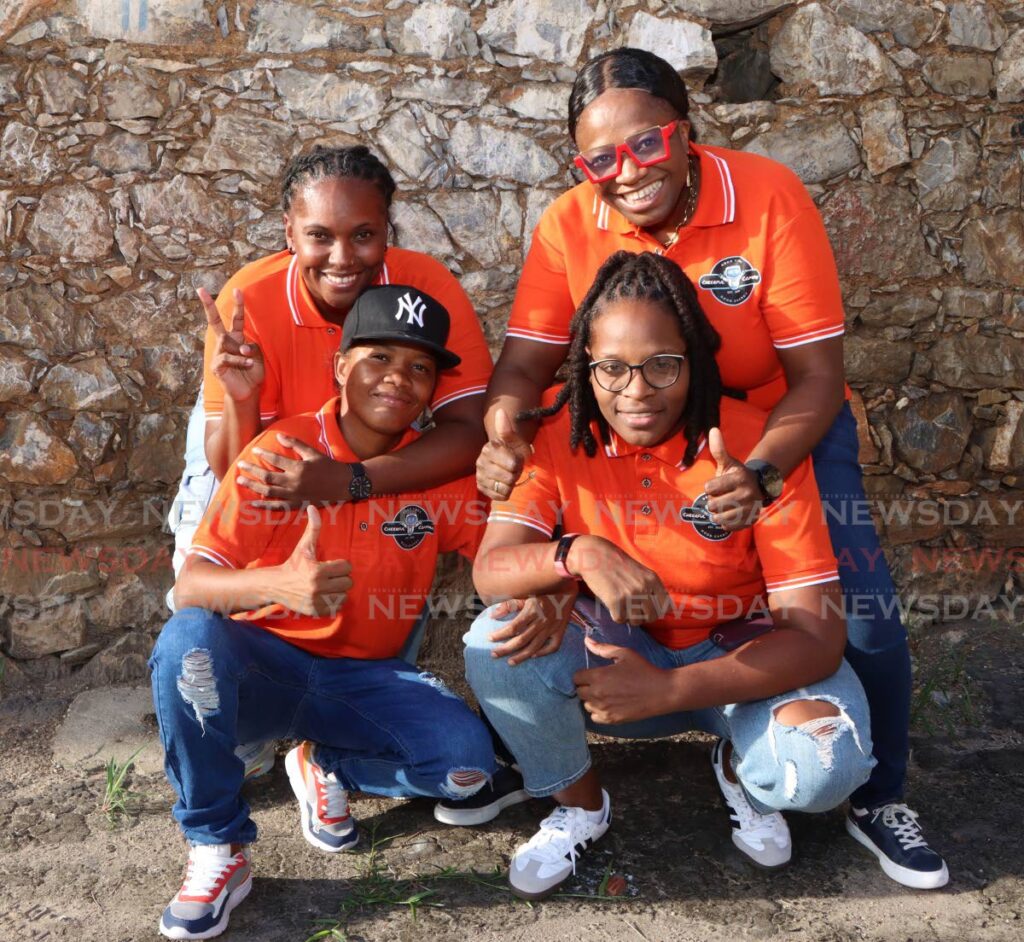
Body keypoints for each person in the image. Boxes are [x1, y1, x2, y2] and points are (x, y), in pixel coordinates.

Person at [473, 47, 947, 889]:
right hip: (634, 424)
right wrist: (507, 425)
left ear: (686, 132)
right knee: (539, 598)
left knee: (860, 611)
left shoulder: (766, 196)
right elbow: (522, 367)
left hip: (774, 427)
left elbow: (818, 378)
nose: (628, 172)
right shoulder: (570, 222)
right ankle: (566, 766)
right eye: (601, 159)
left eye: (649, 144)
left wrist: (761, 472)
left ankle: (879, 796)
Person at [464, 251, 875, 900]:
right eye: (612, 369)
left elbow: (818, 638)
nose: (636, 391)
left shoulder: (755, 447)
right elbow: (491, 571)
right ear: (585, 366)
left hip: (736, 661)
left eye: (662, 365)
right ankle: (579, 805)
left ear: (696, 360)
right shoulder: (555, 432)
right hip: (619, 658)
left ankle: (741, 766)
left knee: (819, 768)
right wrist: (579, 554)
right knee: (493, 641)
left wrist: (669, 689)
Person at [151, 285, 497, 940]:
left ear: (431, 389)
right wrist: (279, 585)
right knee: (187, 643)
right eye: (379, 358)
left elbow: (500, 554)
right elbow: (191, 587)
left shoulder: (438, 472)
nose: (399, 378)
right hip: (265, 669)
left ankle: (328, 764)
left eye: (419, 368)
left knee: (466, 768)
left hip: (361, 683)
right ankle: (217, 846)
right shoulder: (282, 452)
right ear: (340, 366)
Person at [165, 144, 496, 780]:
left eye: (364, 235)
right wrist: (243, 398)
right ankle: (247, 688)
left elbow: (467, 434)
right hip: (261, 439)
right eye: (319, 236)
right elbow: (238, 469)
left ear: (388, 232)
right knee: (201, 612)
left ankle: (334, 729)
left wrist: (350, 481)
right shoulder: (250, 300)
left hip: (373, 452)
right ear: (289, 233)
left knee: (373, 605)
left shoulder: (422, 285)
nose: (343, 258)